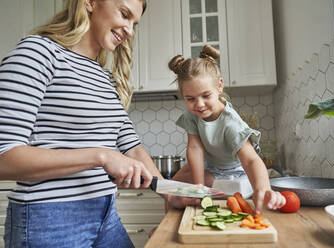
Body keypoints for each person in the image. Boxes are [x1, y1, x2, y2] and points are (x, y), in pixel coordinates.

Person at [0, 0, 199, 247]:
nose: (129, 30)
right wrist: (101, 156)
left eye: (134, 23)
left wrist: (170, 192)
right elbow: (4, 156)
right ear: (90, 2)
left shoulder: (103, 77)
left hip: (105, 214)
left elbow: (132, 148)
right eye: (124, 14)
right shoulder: (37, 53)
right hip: (48, 220)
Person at [168, 45, 286, 214]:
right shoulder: (192, 115)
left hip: (234, 171)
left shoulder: (231, 123)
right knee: (169, 189)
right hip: (211, 165)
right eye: (190, 98)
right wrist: (198, 186)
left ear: (220, 86)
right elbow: (194, 148)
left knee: (185, 192)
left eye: (206, 96)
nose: (199, 104)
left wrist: (264, 189)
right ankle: (163, 229)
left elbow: (251, 160)